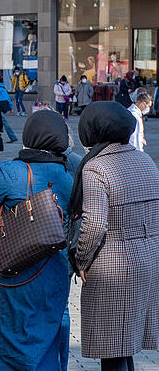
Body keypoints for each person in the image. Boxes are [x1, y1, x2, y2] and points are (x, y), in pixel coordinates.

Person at [0, 110, 75, 370]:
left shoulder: (11, 172)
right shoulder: (69, 176)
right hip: (54, 272)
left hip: (11, 273)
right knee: (50, 333)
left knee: (7, 336)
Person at [73, 101, 159, 371]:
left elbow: (95, 224)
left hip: (113, 262)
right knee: (125, 344)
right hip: (149, 256)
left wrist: (81, 260)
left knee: (113, 348)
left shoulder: (97, 168)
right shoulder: (145, 159)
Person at [0, 76, 18, 142]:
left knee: (1, 122)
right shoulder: (2, 87)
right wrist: (11, 107)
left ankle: (12, 137)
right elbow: (8, 98)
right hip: (4, 106)